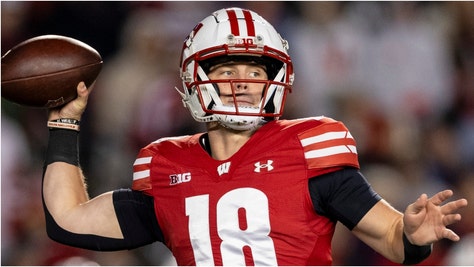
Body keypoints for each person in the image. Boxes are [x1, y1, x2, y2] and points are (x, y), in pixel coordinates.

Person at [42, 7, 468, 266]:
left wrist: (412, 235)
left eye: (255, 71)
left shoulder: (310, 147)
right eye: (227, 70)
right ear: (195, 80)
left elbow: (394, 241)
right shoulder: (166, 165)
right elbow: (67, 221)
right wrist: (64, 123)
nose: (243, 82)